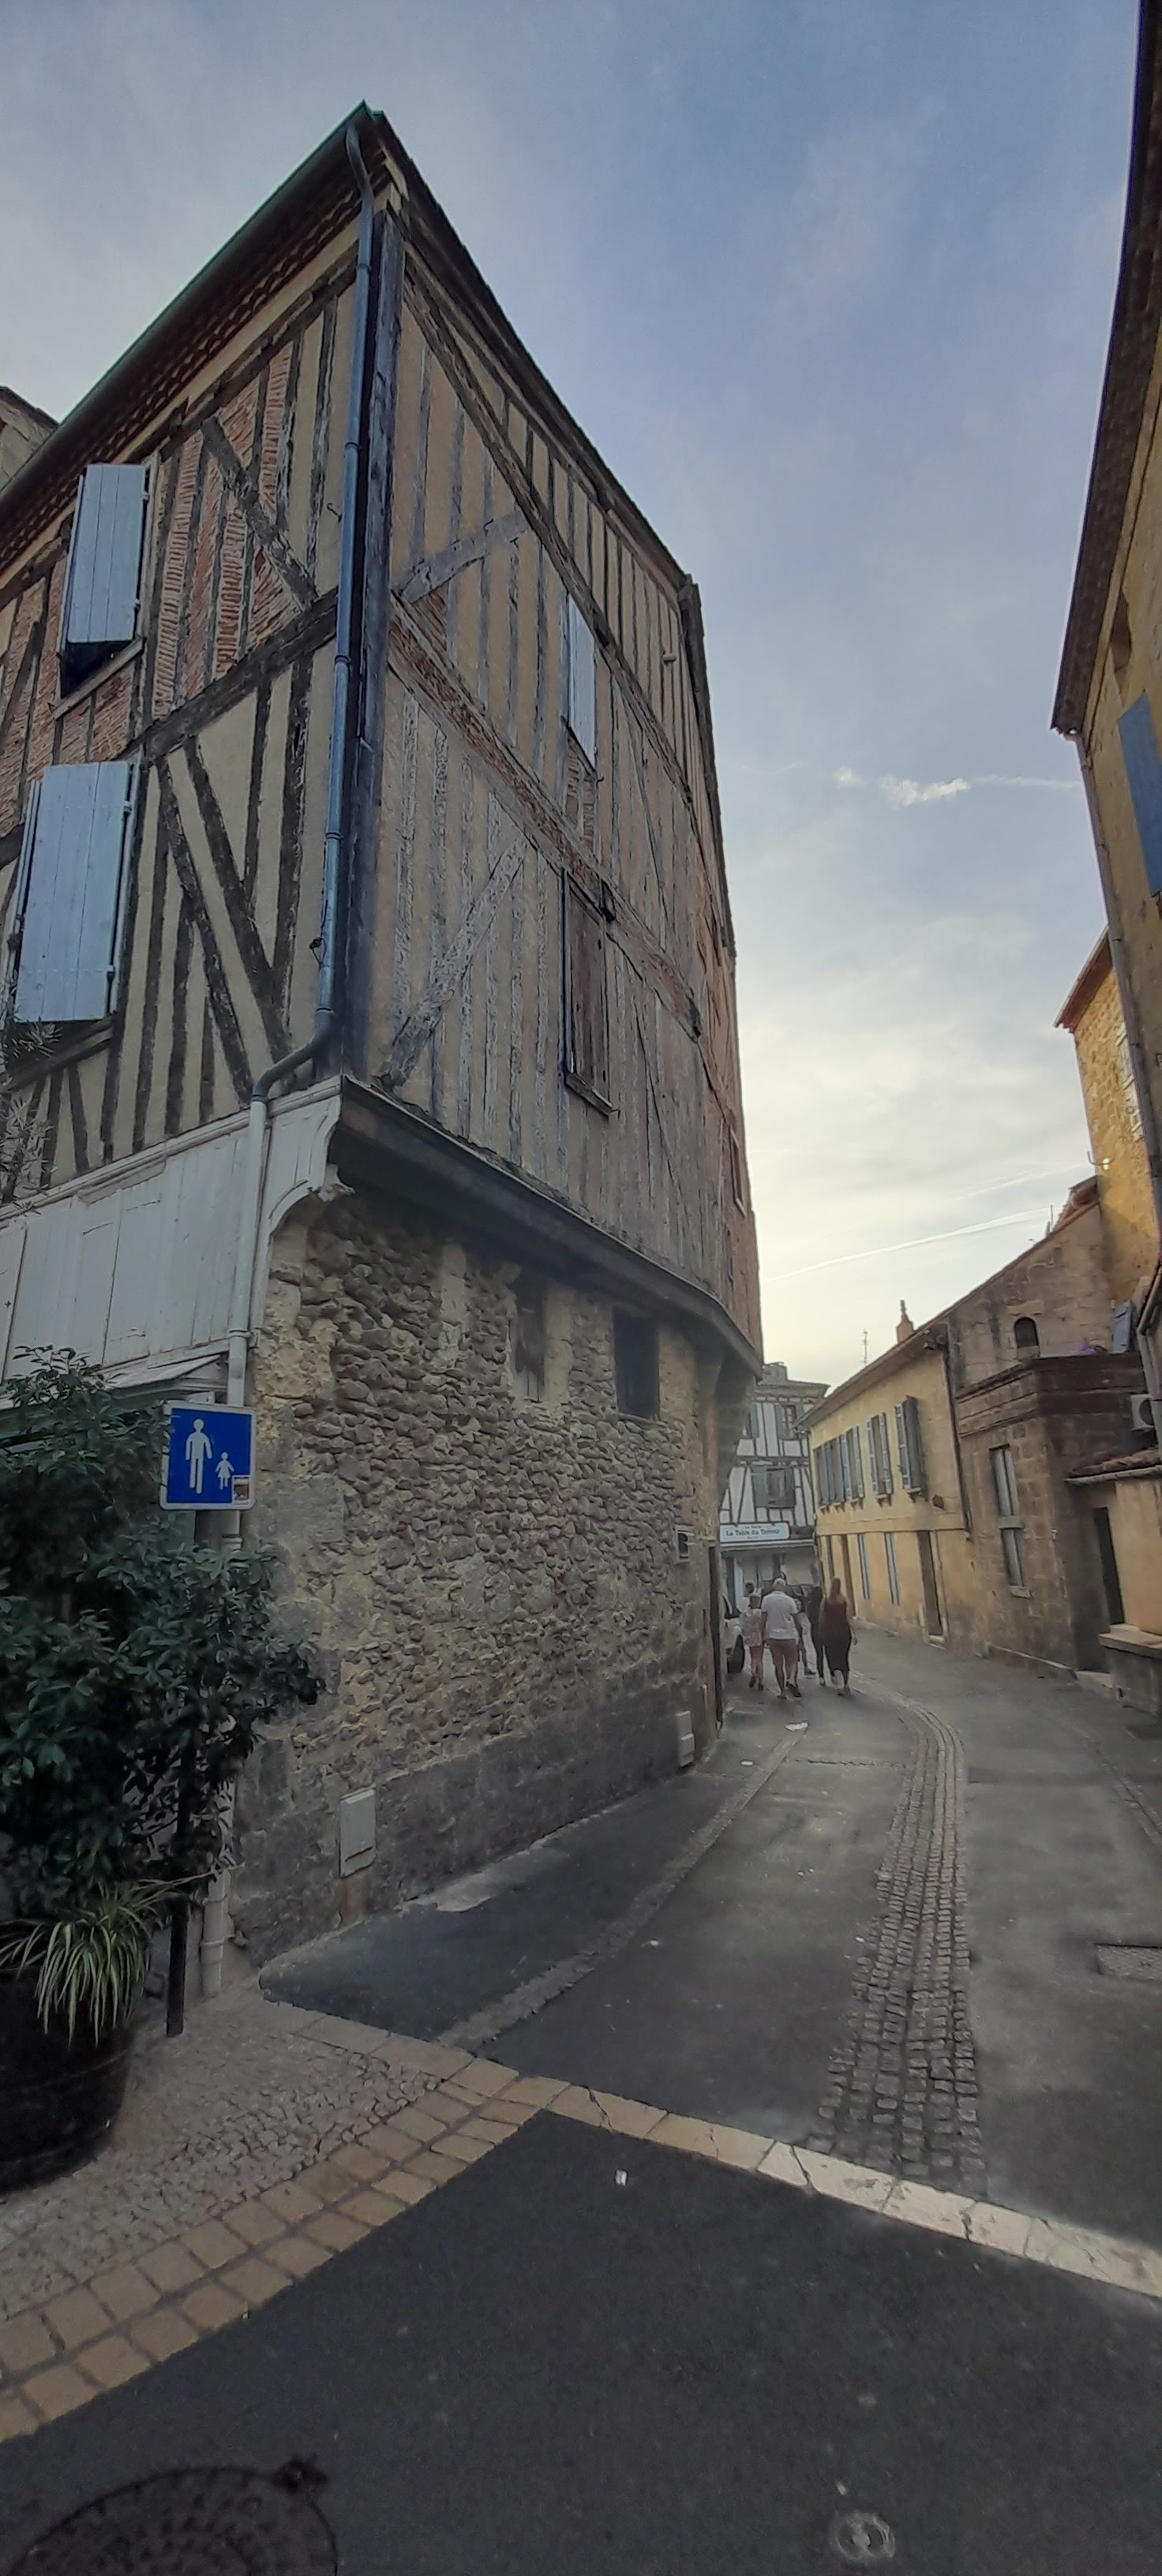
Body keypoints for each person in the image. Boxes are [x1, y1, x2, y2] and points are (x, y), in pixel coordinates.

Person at [759, 1574, 803, 1700]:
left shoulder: (766, 1600)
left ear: (774, 1587)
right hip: (789, 1635)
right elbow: (797, 1619)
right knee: (792, 1661)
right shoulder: (789, 1600)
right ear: (784, 1587)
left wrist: (763, 1635)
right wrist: (800, 1634)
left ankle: (782, 1691)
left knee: (778, 1665)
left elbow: (763, 1620)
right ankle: (791, 1680)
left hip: (773, 1637)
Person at [819, 1577, 853, 1693]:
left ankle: (839, 1685)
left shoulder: (826, 1601)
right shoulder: (844, 1600)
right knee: (844, 1658)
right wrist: (854, 1633)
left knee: (834, 1659)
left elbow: (821, 1618)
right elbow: (849, 1617)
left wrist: (821, 1632)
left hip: (830, 1634)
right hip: (844, 1633)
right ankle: (846, 1684)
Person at [740, 1586, 765, 1690]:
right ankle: (759, 1678)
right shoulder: (759, 1613)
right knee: (759, 1658)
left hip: (750, 1637)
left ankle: (753, 1673)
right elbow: (763, 1625)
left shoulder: (746, 1613)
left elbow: (743, 1626)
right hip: (759, 1636)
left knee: (753, 1656)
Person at [804, 1576, 824, 1679]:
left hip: (814, 1630)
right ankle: (833, 1674)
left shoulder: (809, 1605)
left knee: (819, 1654)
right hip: (825, 1630)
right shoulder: (823, 1604)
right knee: (828, 1653)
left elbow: (809, 1617)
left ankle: (821, 1676)